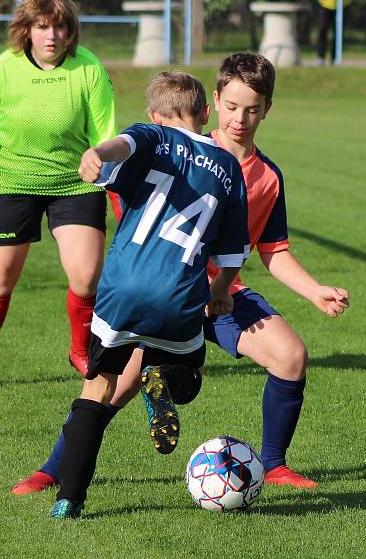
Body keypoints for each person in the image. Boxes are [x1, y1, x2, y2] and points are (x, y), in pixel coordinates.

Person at [12, 53, 348, 496]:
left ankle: (274, 465)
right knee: (114, 386)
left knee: (290, 356)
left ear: (267, 108)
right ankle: (53, 468)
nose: (240, 119)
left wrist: (315, 290)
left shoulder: (267, 177)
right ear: (213, 102)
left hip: (221, 294)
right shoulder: (175, 147)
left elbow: (273, 252)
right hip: (167, 292)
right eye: (231, 107)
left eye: (251, 109)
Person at [50, 71, 249, 519]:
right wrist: (218, 293)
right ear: (206, 112)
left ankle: (69, 498)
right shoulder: (230, 168)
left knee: (96, 389)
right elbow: (234, 252)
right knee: (189, 373)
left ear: (155, 115)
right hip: (178, 298)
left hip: (122, 290)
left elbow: (123, 146)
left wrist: (97, 152)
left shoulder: (151, 136)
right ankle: (163, 377)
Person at [0, 0, 115, 391]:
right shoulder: (4, 69)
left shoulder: (88, 69)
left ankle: (79, 351)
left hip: (75, 182)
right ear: (27, 29)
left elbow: (106, 134)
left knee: (86, 276)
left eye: (60, 27)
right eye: (42, 26)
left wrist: (114, 181)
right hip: (13, 181)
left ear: (71, 32)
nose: (51, 35)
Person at [314, 0, 352, 65]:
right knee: (322, 30)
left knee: (338, 33)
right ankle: (321, 58)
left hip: (343, 3)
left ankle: (335, 59)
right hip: (325, 3)